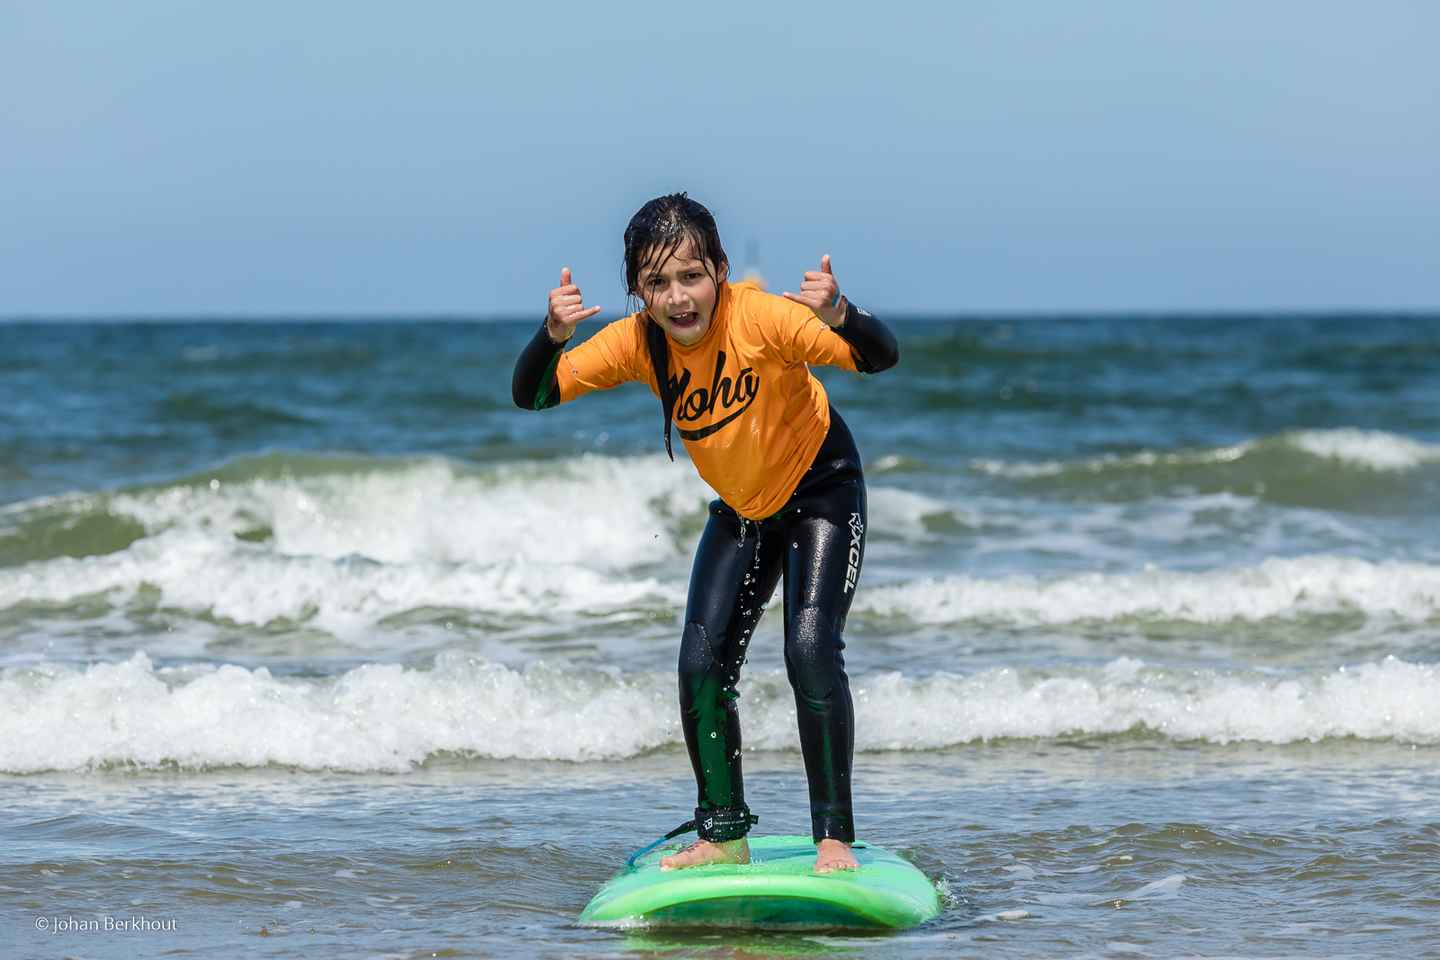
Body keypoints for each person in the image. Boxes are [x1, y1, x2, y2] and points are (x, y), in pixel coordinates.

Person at [511, 193, 898, 874]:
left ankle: (834, 837)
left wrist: (841, 312)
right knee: (700, 665)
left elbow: (877, 358)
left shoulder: (764, 318)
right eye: (657, 282)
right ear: (638, 291)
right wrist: (552, 334)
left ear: (720, 270)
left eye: (691, 276)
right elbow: (534, 394)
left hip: (822, 491)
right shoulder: (640, 343)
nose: (677, 297)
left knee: (810, 650)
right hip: (744, 510)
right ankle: (723, 835)